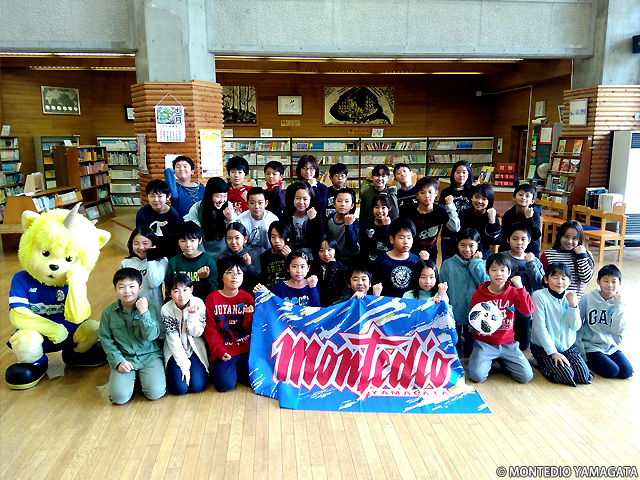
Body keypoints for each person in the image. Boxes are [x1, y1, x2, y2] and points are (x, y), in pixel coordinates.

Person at [98, 268, 166, 404]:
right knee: (119, 398)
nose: (127, 291)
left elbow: (152, 336)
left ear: (140, 289)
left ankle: (139, 379)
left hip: (149, 356)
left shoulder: (149, 307)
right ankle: (132, 380)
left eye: (132, 286)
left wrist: (144, 313)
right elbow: (106, 339)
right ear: (115, 289)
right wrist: (118, 361)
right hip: (125, 357)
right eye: (121, 287)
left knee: (155, 393)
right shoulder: (108, 312)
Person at [467, 254, 534, 384]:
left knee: (526, 376)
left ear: (509, 272)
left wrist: (521, 288)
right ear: (487, 273)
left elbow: (528, 311)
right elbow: (473, 318)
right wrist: (478, 331)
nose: (498, 274)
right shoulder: (479, 294)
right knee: (476, 376)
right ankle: (491, 359)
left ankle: (503, 360)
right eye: (494, 270)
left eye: (503, 270)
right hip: (485, 343)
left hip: (508, 343)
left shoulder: (514, 292)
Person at [530, 263, 591, 386]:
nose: (560, 282)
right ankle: (539, 361)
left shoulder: (571, 296)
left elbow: (576, 327)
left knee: (583, 376)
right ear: (546, 279)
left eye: (564, 278)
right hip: (544, 347)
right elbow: (539, 328)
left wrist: (573, 306)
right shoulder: (538, 296)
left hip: (567, 346)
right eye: (555, 277)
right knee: (566, 375)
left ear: (569, 281)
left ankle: (553, 362)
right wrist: (553, 352)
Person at [204, 256, 254, 392]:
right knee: (224, 385)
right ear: (221, 276)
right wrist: (219, 351)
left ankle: (237, 369)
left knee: (254, 381)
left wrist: (248, 315)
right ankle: (230, 369)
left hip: (245, 348)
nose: (235, 277)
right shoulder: (212, 299)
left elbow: (250, 329)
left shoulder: (247, 297)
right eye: (230, 272)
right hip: (224, 348)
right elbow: (211, 330)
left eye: (239, 273)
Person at [439, 228, 489, 358]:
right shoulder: (448, 264)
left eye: (471, 245)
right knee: (454, 350)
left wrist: (476, 263)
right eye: (463, 245)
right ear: (457, 245)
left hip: (475, 314)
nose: (467, 249)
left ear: (478, 246)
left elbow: (485, 285)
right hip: (454, 311)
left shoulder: (482, 264)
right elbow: (442, 287)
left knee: (470, 350)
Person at [578, 264, 633, 379]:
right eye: (605, 281)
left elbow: (619, 330)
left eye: (614, 281)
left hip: (611, 346)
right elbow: (577, 324)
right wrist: (581, 351)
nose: (610, 285)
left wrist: (618, 306)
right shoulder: (587, 298)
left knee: (627, 372)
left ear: (620, 284)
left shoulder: (621, 302)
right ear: (598, 282)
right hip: (592, 346)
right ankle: (590, 362)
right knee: (612, 371)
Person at [161, 274, 208, 395]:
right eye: (176, 291)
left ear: (191, 289)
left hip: (194, 347)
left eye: (185, 290)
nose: (181, 295)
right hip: (175, 349)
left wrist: (192, 316)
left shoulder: (198, 303)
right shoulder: (166, 309)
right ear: (169, 293)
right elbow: (173, 339)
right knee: (179, 389)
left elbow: (197, 333)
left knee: (197, 386)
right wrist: (184, 366)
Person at [503, 224, 544, 351]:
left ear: (529, 240)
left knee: (523, 345)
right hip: (504, 307)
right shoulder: (502, 258)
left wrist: (530, 263)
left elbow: (539, 285)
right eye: (515, 239)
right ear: (508, 239)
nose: (519, 243)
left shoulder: (534, 260)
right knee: (504, 341)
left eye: (523, 239)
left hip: (524, 309)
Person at [120, 226, 168, 331]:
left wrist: (151, 259)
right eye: (136, 243)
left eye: (145, 243)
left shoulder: (162, 261)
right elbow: (120, 289)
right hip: (132, 310)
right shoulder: (125, 263)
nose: (141, 247)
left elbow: (154, 283)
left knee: (154, 334)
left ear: (153, 244)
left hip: (155, 308)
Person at [406, 176, 460, 262]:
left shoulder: (439, 210)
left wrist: (450, 208)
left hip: (432, 252)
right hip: (412, 253)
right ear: (417, 195)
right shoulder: (410, 212)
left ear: (436, 193)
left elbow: (455, 228)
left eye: (430, 192)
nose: (427, 196)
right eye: (422, 192)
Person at [540, 220, 595, 300]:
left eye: (574, 238)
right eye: (566, 237)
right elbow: (542, 280)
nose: (569, 241)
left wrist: (581, 256)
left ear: (580, 239)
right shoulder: (548, 254)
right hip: (553, 301)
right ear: (560, 236)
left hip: (575, 301)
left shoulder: (585, 255)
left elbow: (586, 279)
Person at [165, 221, 218, 302]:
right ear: (178, 242)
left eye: (192, 240)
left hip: (202, 305)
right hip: (178, 306)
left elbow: (213, 293)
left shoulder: (209, 262)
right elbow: (169, 290)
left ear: (200, 240)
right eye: (183, 241)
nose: (188, 245)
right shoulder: (174, 262)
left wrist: (204, 279)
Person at [184, 177, 234, 257]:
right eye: (218, 196)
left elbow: (235, 233)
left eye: (225, 196)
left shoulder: (228, 207)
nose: (222, 200)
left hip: (226, 253)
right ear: (209, 195)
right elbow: (194, 234)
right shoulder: (197, 208)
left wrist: (230, 220)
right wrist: (203, 256)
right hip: (203, 252)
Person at [372, 218, 420, 298]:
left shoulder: (416, 260)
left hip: (410, 303)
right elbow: (375, 285)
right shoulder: (381, 261)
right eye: (401, 238)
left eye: (409, 238)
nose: (406, 242)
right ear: (392, 239)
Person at [255, 250, 321, 307]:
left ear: (308, 268)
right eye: (294, 266)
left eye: (302, 266)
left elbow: (317, 309)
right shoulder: (280, 287)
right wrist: (264, 293)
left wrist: (313, 288)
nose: (299, 271)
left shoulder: (312, 284)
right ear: (288, 268)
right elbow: (273, 308)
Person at [136, 179, 182, 258]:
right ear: (147, 196)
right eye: (152, 196)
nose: (156, 200)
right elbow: (140, 235)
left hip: (169, 250)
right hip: (148, 250)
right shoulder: (142, 213)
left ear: (168, 196)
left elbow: (176, 238)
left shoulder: (173, 214)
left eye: (160, 196)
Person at [439, 160, 474, 261]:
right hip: (448, 234)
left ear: (469, 174)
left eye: (464, 172)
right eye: (458, 172)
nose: (461, 175)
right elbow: (441, 213)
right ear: (453, 174)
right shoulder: (446, 192)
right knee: (448, 262)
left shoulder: (473, 191)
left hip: (467, 235)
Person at [282, 181, 324, 259]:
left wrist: (313, 220)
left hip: (312, 255)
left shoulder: (315, 214)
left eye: (305, 199)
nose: (301, 202)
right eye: (298, 198)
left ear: (310, 199)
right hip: (291, 254)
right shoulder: (286, 215)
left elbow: (320, 238)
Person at [458, 183, 501, 259]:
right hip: (465, 250)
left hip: (483, 252)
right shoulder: (464, 214)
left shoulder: (491, 216)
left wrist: (492, 221)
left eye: (484, 199)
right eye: (476, 197)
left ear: (489, 201)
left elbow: (495, 240)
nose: (479, 201)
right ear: (471, 198)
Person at [499, 184, 542, 257]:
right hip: (511, 246)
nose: (523, 198)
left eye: (527, 196)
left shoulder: (534, 214)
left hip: (530, 248)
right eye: (520, 194)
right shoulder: (508, 214)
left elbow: (536, 235)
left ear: (532, 201)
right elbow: (504, 235)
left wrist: (529, 218)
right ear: (513, 197)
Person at [216, 222, 261, 293]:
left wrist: (249, 265)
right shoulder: (222, 257)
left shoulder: (252, 254)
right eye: (229, 238)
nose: (233, 242)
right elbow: (219, 280)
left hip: (249, 292)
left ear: (245, 239)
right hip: (228, 293)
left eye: (237, 238)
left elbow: (257, 281)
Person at [236, 187, 279, 254]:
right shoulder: (240, 220)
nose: (256, 207)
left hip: (269, 254)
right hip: (247, 254)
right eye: (252, 203)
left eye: (260, 203)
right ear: (247, 204)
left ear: (266, 203)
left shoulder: (273, 219)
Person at [310, 235, 348, 307]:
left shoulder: (342, 269)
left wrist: (332, 265)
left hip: (336, 305)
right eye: (321, 250)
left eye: (329, 249)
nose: (326, 254)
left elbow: (332, 289)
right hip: (316, 304)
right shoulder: (313, 267)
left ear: (335, 250)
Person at [325, 187, 360, 265]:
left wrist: (348, 225)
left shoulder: (354, 222)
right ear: (334, 204)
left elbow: (351, 245)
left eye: (347, 201)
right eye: (339, 201)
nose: (343, 204)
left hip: (350, 259)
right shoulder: (330, 219)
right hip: (333, 258)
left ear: (352, 205)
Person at [259, 221, 292, 291]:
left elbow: (298, 278)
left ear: (288, 237)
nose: (277, 241)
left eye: (280, 237)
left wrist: (289, 259)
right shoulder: (264, 257)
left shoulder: (295, 255)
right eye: (273, 237)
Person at [361, 194, 392, 263]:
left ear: (389, 208)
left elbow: (392, 246)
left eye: (383, 207)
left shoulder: (394, 224)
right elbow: (363, 244)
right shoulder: (367, 223)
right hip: (369, 261)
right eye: (376, 207)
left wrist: (386, 227)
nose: (380, 211)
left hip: (387, 262)